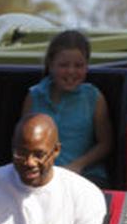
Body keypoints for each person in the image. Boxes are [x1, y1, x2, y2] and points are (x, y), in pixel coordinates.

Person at [22, 31, 113, 183]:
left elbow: (105, 144)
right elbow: (24, 141)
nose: (71, 71)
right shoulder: (34, 95)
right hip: (42, 175)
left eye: (78, 66)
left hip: (86, 176)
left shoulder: (93, 97)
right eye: (64, 65)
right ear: (51, 65)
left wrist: (77, 165)